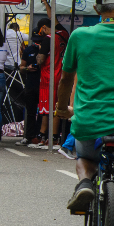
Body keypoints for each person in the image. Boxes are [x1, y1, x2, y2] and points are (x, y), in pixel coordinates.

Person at [56, 0, 114, 220]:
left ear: (97, 9)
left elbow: (65, 80)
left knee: (85, 157)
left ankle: (85, 182)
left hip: (88, 123)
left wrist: (61, 109)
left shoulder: (80, 36)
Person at [36, 15, 69, 147]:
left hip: (48, 77)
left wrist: (39, 51)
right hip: (60, 75)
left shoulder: (48, 39)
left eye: (40, 31)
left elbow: (40, 60)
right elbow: (55, 21)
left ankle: (46, 137)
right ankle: (53, 137)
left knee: (46, 108)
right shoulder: (63, 35)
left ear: (44, 28)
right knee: (56, 106)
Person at [18, 32, 43, 146]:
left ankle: (40, 135)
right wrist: (27, 69)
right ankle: (29, 136)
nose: (37, 43)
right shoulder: (28, 50)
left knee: (43, 112)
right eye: (36, 40)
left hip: (43, 84)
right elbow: (21, 67)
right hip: (31, 84)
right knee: (31, 112)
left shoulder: (47, 49)